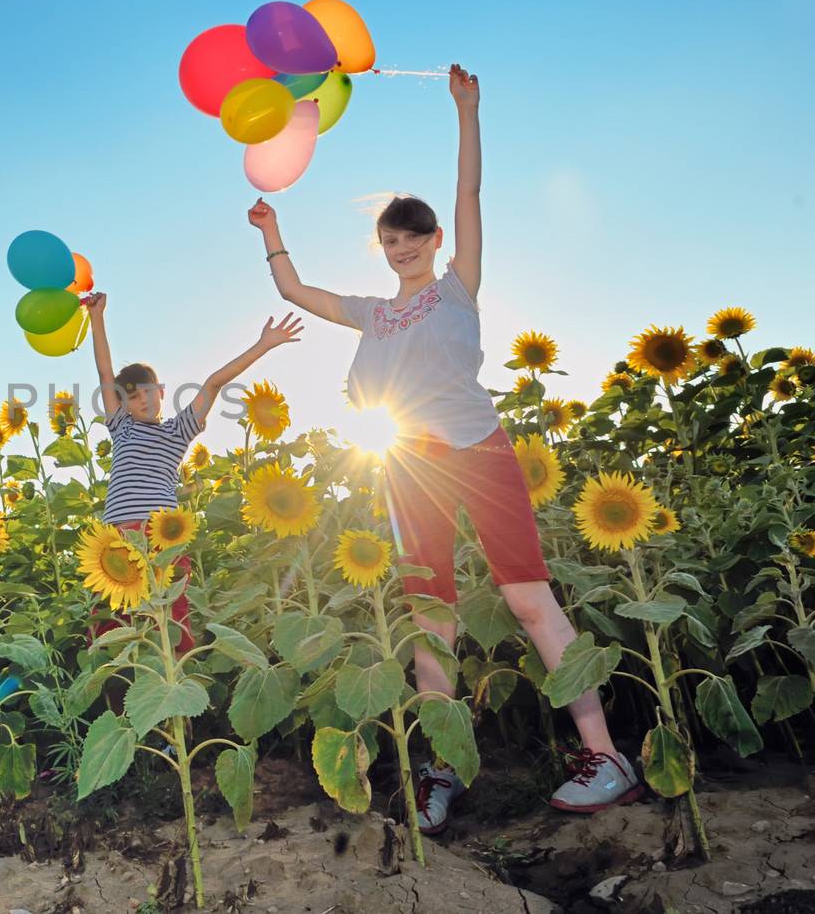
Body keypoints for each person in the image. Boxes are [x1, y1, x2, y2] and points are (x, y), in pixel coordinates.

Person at [247, 65, 640, 835]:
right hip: (408, 467)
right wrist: (271, 234)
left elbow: (469, 197)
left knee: (528, 596)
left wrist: (468, 111)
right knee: (432, 618)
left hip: (479, 450)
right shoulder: (372, 313)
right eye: (389, 240)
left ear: (432, 240)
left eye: (411, 237)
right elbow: (297, 293)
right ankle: (444, 770)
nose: (400, 248)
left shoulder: (458, 285)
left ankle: (605, 756)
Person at [84, 291, 304, 648]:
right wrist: (97, 317)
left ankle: (178, 691)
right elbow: (104, 370)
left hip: (161, 538)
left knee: (172, 618)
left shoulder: (177, 431)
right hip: (118, 537)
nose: (142, 400)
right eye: (132, 397)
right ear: (121, 404)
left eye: (147, 392)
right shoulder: (120, 427)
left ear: (161, 391)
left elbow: (214, 382)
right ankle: (119, 701)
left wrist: (262, 345)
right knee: (114, 625)